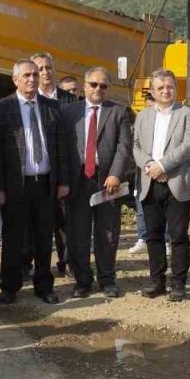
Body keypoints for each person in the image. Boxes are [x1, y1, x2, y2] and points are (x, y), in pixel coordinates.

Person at [0, 60, 71, 305]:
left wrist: (63, 181)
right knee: (13, 238)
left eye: (35, 74)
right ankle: (9, 287)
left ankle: (44, 286)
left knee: (44, 237)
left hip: (45, 183)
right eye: (26, 75)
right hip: (15, 185)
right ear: (15, 79)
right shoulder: (1, 108)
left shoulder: (52, 107)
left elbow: (62, 148)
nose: (32, 79)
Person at [62, 67, 132, 299]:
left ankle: (107, 279)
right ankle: (82, 280)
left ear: (108, 88)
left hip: (107, 181)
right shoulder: (69, 112)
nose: (98, 89)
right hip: (78, 180)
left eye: (103, 85)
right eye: (94, 84)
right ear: (85, 85)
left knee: (108, 233)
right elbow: (62, 149)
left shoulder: (118, 112)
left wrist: (115, 174)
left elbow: (124, 146)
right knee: (77, 233)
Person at [131, 69, 190, 302]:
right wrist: (151, 165)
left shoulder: (187, 115)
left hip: (178, 182)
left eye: (169, 86)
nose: (165, 91)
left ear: (175, 88)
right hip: (150, 182)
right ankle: (157, 281)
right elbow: (136, 146)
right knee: (153, 235)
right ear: (152, 91)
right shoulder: (143, 116)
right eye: (160, 87)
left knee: (179, 235)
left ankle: (178, 283)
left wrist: (163, 165)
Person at [31, 52, 75, 276]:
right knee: (33, 224)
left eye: (48, 67)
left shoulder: (70, 100)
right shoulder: (27, 100)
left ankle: (66, 263)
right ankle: (29, 266)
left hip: (63, 170)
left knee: (65, 222)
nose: (45, 72)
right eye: (39, 69)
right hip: (36, 172)